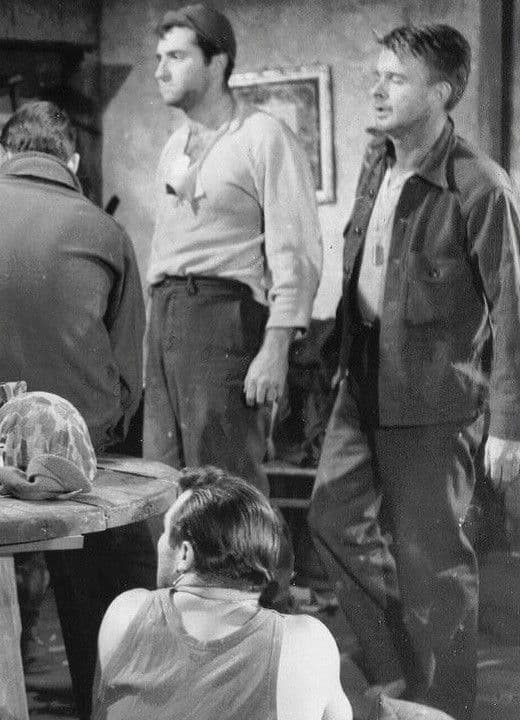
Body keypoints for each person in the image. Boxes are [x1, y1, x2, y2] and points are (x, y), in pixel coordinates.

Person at [309, 24, 520, 719]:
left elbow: (514, 313)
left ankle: (446, 705)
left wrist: (507, 426)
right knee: (331, 519)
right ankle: (400, 669)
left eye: (395, 79)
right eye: (377, 74)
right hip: (363, 378)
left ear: (442, 92)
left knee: (434, 561)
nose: (376, 89)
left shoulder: (481, 186)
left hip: (435, 397)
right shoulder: (378, 161)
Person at [0, 101, 152, 716]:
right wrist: (102, 433)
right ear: (73, 162)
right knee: (115, 565)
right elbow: (128, 363)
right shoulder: (107, 232)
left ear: (4, 154)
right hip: (80, 440)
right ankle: (102, 699)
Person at [145, 3, 322, 494]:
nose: (160, 71)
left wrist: (276, 347)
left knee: (225, 485)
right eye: (159, 58)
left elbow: (297, 252)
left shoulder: (263, 136)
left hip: (223, 318)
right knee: (163, 481)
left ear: (217, 63)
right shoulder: (174, 146)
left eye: (177, 57)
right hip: (166, 316)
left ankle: (252, 552)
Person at [96, 467, 350, 720]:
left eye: (165, 532)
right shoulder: (307, 643)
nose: (160, 542)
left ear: (185, 554)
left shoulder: (127, 614)